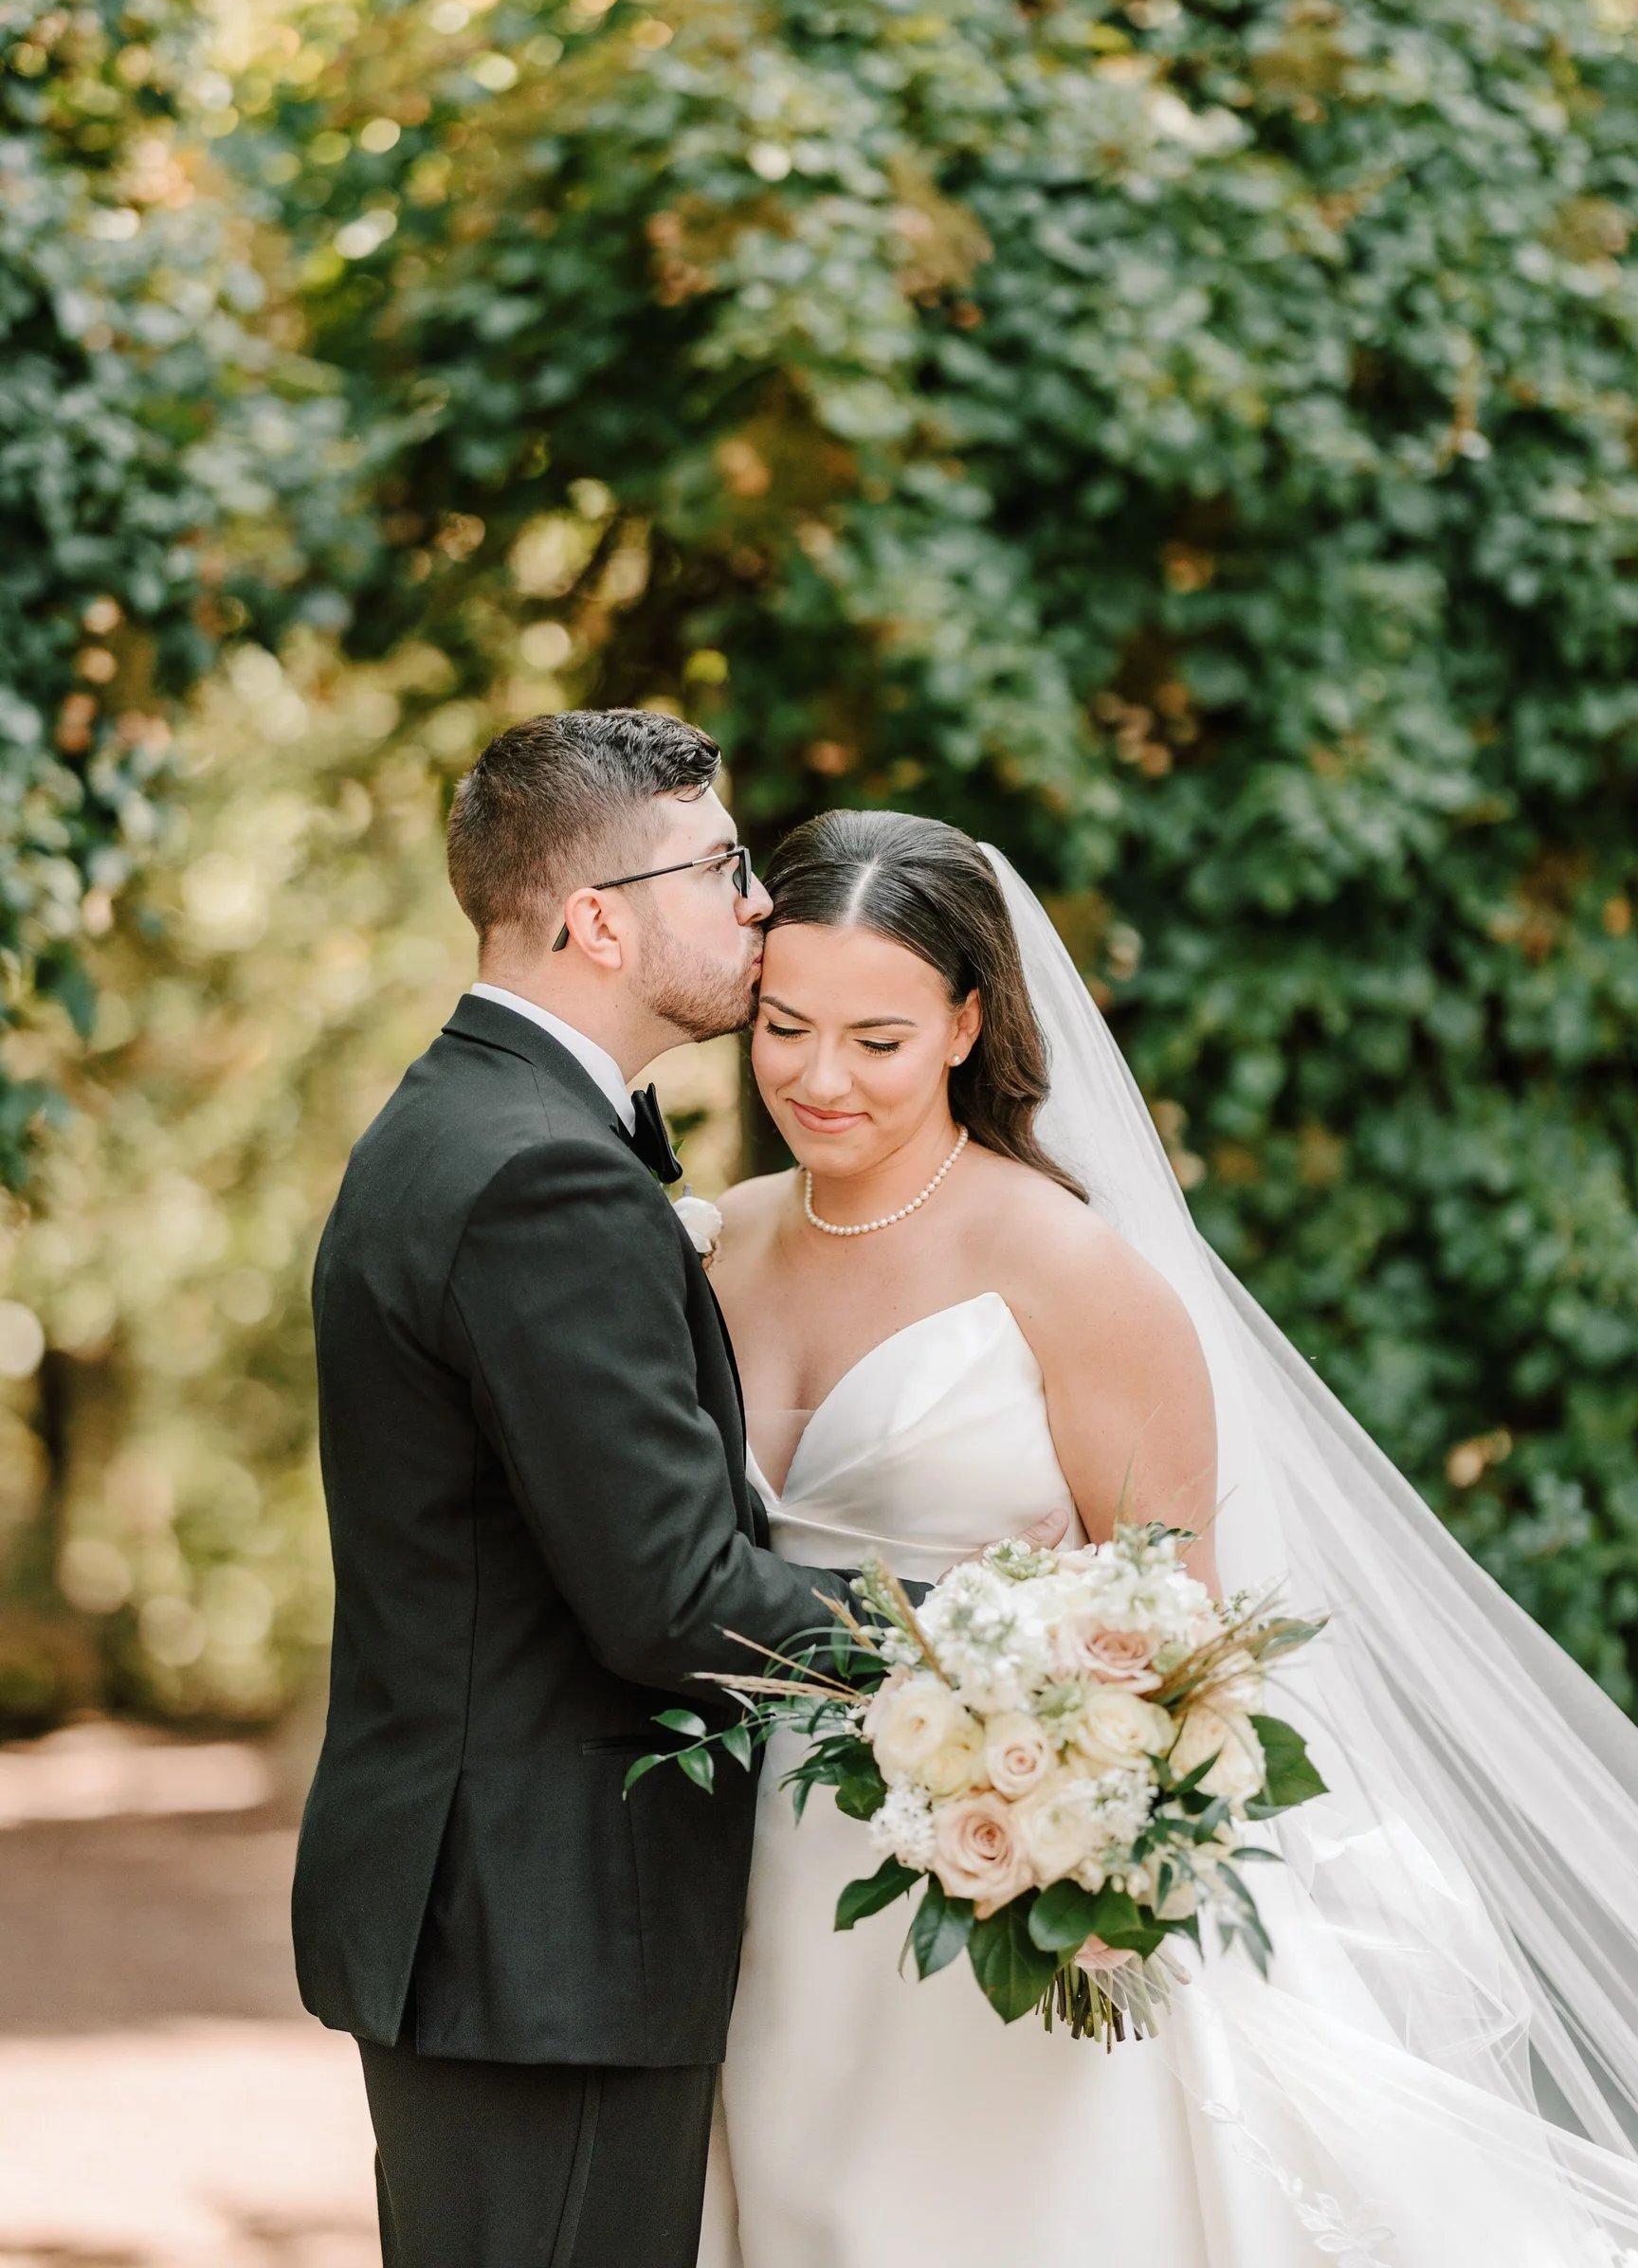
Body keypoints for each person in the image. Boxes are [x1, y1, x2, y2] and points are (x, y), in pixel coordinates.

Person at [701, 807, 1638, 2268]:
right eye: (783, 1026)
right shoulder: (722, 1243)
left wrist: (1078, 1854)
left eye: (876, 1041)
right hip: (759, 1884)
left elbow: (1180, 1640)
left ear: (964, 1021)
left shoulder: (1073, 1272)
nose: (819, 1079)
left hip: (1012, 1892)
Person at [292, 710, 872, 2268]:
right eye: (725, 866)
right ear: (598, 917)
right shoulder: (538, 1171)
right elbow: (672, 1598)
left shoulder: (473, 1123)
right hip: (547, 1939)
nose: (759, 902)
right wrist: (989, 1638)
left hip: (505, 1925)